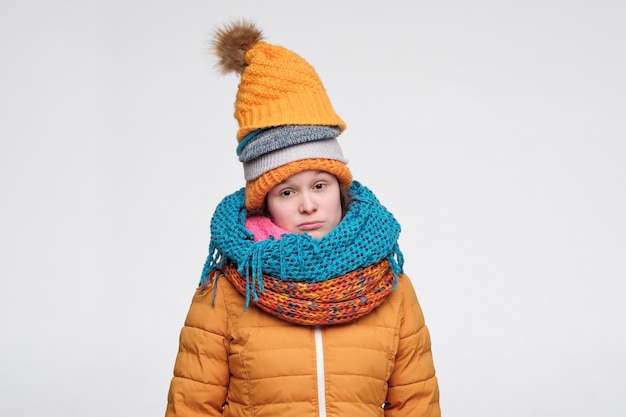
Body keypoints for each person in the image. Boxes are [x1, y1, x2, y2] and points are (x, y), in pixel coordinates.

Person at [165, 19, 441, 417]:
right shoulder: (226, 290)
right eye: (287, 191)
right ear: (265, 203)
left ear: (340, 189)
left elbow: (416, 406)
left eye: (320, 185)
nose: (308, 205)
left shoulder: (390, 287)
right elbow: (191, 406)